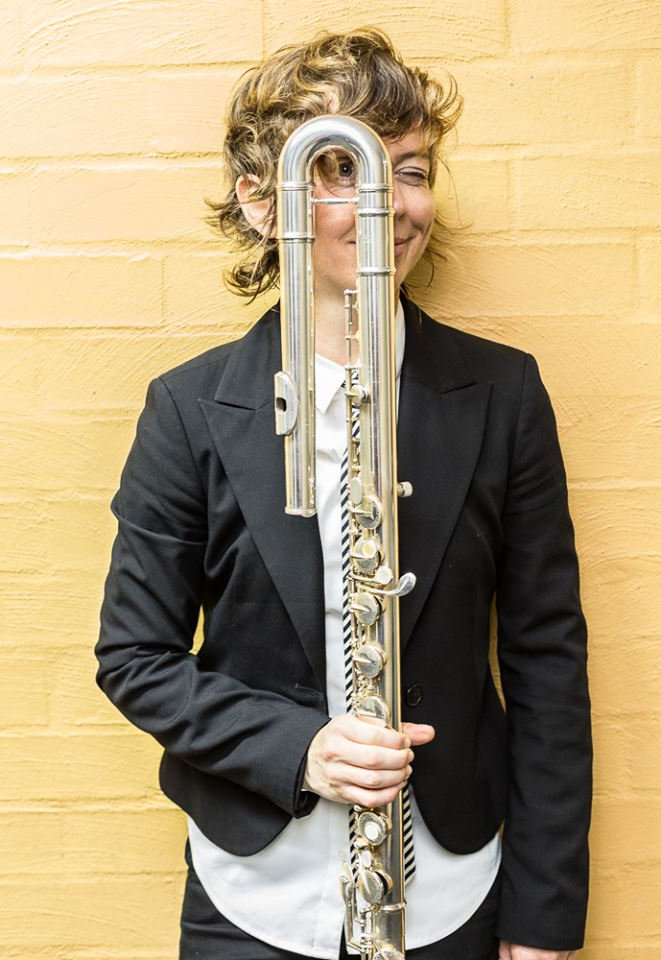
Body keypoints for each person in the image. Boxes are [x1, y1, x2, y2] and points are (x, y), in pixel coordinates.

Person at [95, 28, 592, 960]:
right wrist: (300, 749)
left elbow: (546, 658)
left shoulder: (503, 393)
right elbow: (135, 658)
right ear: (261, 200)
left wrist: (544, 912)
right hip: (255, 896)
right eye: (345, 169)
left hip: (452, 887)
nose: (391, 204)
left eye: (412, 171)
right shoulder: (189, 410)